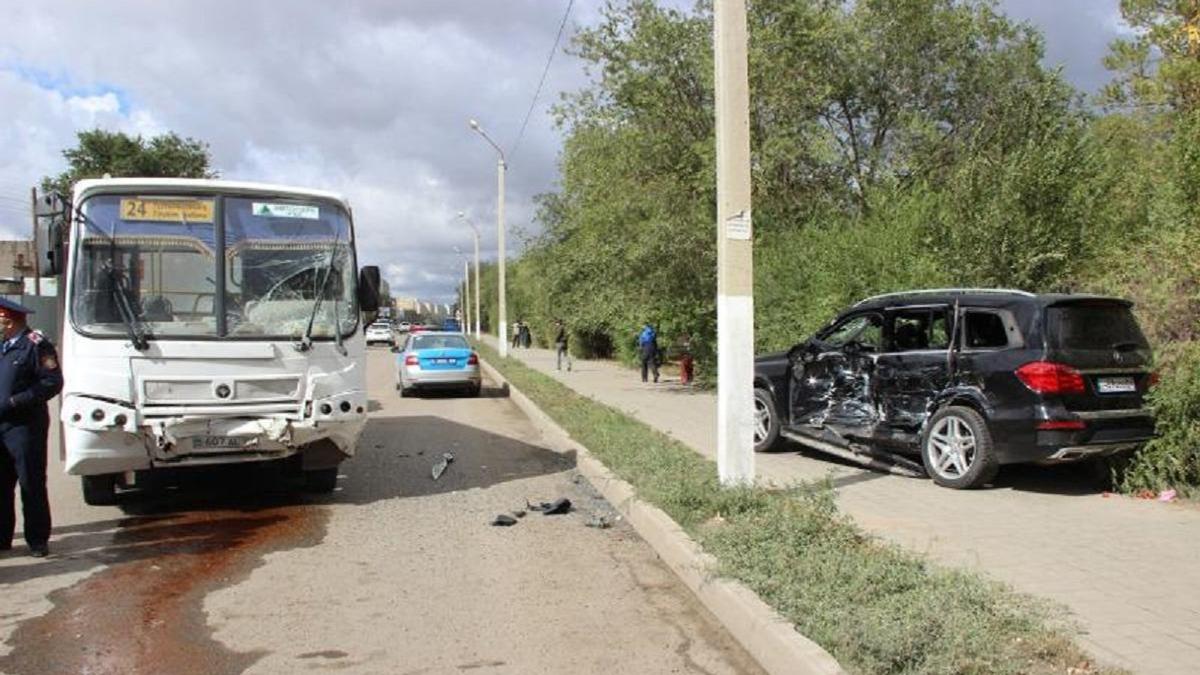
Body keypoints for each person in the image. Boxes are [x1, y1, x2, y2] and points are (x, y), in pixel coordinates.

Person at [0, 299, 64, 558]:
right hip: (0, 426)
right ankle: (2, 537)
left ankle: (37, 539)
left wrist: (17, 401)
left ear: (8, 319)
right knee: (1, 484)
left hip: (24, 425)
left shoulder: (36, 345)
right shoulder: (3, 345)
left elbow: (52, 382)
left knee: (30, 482)